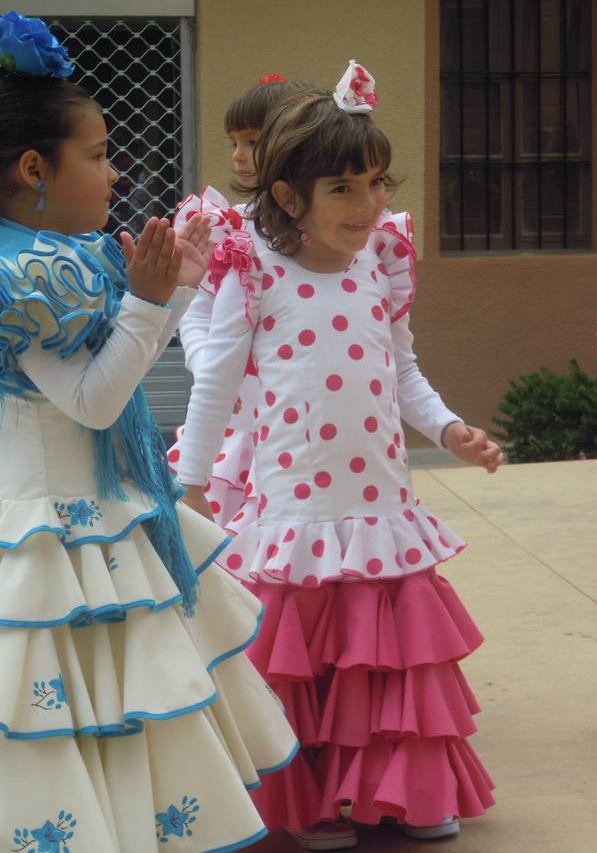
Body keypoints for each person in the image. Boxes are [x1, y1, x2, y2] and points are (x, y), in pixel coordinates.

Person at [0, 12, 298, 852]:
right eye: (96, 155)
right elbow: (94, 403)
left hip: (101, 525)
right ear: (34, 170)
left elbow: (120, 371)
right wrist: (149, 300)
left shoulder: (75, 256)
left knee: (117, 721)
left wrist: (172, 290)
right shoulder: (7, 278)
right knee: (56, 728)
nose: (114, 169)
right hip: (48, 540)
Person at [173, 62, 501, 849]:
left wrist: (450, 429)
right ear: (290, 197)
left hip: (382, 507)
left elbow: (405, 373)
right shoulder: (253, 271)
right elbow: (214, 386)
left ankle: (402, 794)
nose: (369, 206)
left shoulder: (379, 265)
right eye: (345, 190)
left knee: (387, 664)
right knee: (304, 667)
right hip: (294, 511)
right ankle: (314, 799)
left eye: (377, 183)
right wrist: (191, 486)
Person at [170, 73, 312, 528]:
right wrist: (205, 361)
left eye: (251, 141)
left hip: (312, 439)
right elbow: (197, 309)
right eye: (234, 141)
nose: (237, 155)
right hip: (239, 427)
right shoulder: (229, 229)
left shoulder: (333, 237)